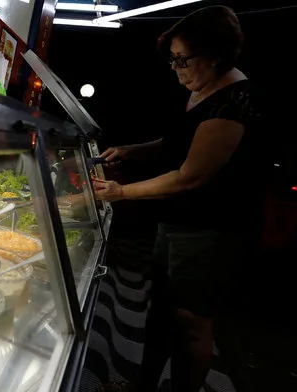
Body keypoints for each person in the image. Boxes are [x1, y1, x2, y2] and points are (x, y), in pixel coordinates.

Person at [94, 6, 264, 392]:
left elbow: (191, 176)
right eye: (172, 59)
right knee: (161, 313)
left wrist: (120, 193)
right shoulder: (204, 90)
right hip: (180, 223)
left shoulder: (233, 102)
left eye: (183, 59)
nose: (175, 68)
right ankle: (144, 386)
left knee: (189, 322)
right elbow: (178, 144)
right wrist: (132, 150)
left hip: (212, 231)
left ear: (216, 55)